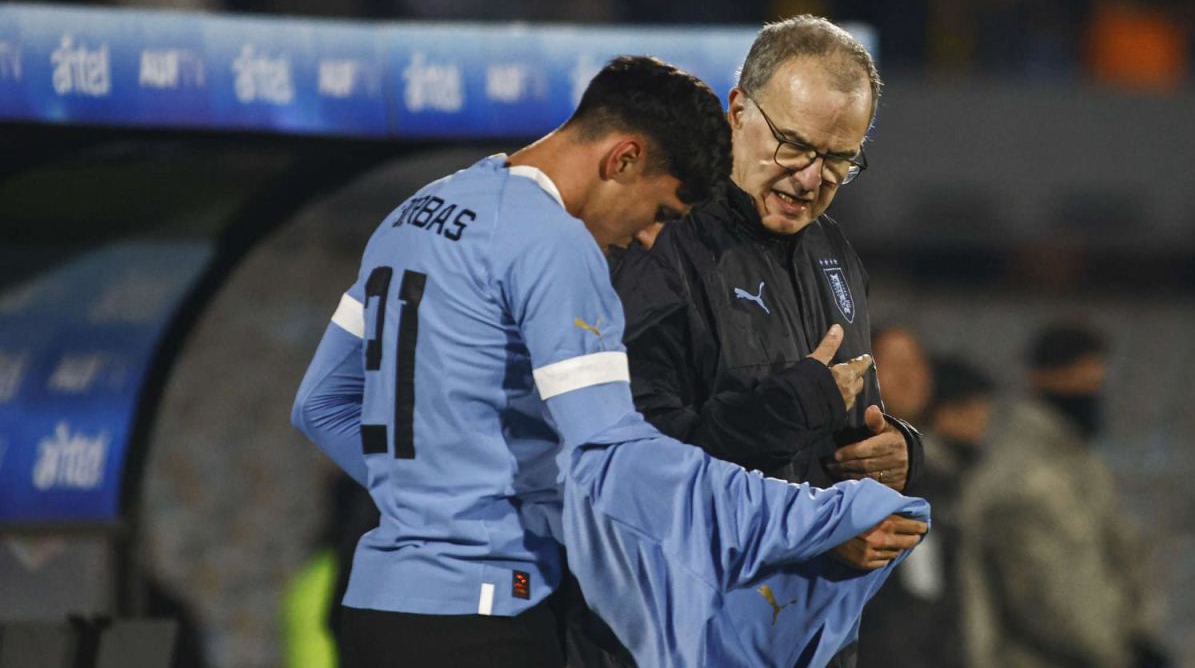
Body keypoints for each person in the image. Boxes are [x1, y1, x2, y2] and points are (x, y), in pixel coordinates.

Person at [291, 55, 928, 668]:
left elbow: (321, 405)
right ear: (623, 158)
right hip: (487, 612)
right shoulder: (554, 243)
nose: (650, 237)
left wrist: (435, 495)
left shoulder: (419, 213)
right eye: (659, 213)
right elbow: (619, 459)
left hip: (377, 605)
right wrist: (821, 520)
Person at [601, 15, 927, 666]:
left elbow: (847, 421)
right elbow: (635, 469)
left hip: (810, 639)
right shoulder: (655, 240)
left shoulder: (834, 252)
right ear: (738, 111)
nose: (811, 179)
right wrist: (815, 531)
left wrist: (894, 451)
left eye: (839, 159)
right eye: (793, 146)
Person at [958, 323, 1170, 668]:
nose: (1092, 391)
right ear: (1041, 379)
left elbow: (1120, 557)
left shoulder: (1083, 465)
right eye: (1081, 380)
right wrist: (1120, 654)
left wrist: (1139, 636)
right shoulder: (1021, 475)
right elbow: (1046, 598)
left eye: (1096, 381)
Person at [858, 353, 996, 668]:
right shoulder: (893, 480)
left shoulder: (946, 480)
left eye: (916, 365)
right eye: (896, 365)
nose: (912, 379)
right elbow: (911, 604)